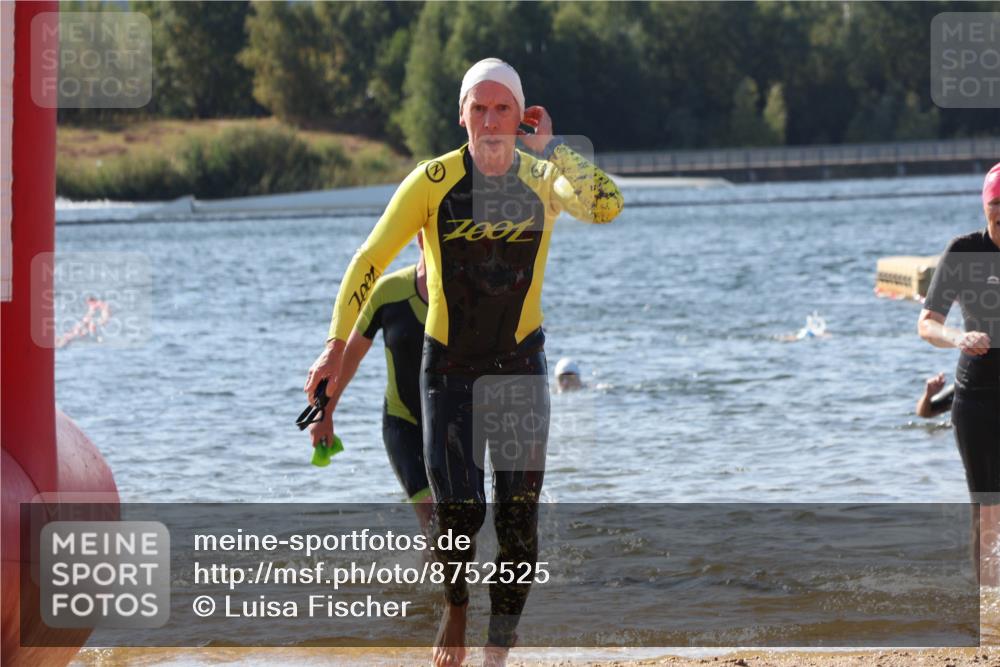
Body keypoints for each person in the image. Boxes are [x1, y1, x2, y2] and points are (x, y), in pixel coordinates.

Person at [304, 57, 623, 667]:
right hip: (448, 370)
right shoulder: (431, 181)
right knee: (459, 516)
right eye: (478, 108)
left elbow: (606, 204)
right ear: (462, 116)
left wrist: (554, 147)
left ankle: (496, 652)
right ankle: (455, 609)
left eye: (503, 107)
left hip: (521, 369)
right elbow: (370, 257)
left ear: (520, 114)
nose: (490, 120)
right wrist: (334, 342)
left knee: (518, 524)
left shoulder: (542, 176)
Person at [918, 161, 1000, 583]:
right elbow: (927, 323)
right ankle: (987, 608)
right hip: (978, 399)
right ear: (985, 208)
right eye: (997, 208)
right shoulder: (964, 251)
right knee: (987, 509)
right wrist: (958, 338)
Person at [318, 233, 433, 531]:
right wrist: (325, 413)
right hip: (402, 423)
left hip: (451, 426)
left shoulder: (465, 297)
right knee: (432, 516)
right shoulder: (389, 292)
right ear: (421, 237)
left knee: (457, 523)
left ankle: (426, 576)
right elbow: (349, 356)